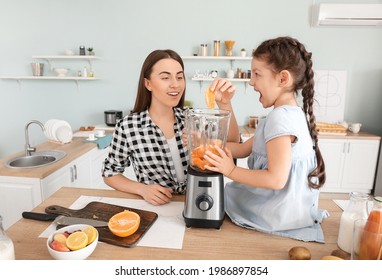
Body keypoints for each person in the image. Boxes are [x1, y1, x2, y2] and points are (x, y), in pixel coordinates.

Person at [203, 37, 328, 242]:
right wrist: (224, 107)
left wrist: (230, 170)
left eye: (257, 74)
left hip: (276, 216)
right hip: (293, 214)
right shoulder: (290, 114)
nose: (251, 81)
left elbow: (276, 179)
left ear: (283, 79)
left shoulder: (279, 118)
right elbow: (241, 149)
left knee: (223, 196)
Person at [102, 49, 239, 206]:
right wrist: (142, 190)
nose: (175, 84)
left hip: (200, 203)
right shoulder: (128, 127)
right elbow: (110, 173)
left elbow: (234, 143)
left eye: (179, 77)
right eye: (166, 77)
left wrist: (225, 103)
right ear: (148, 84)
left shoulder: (193, 118)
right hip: (158, 209)